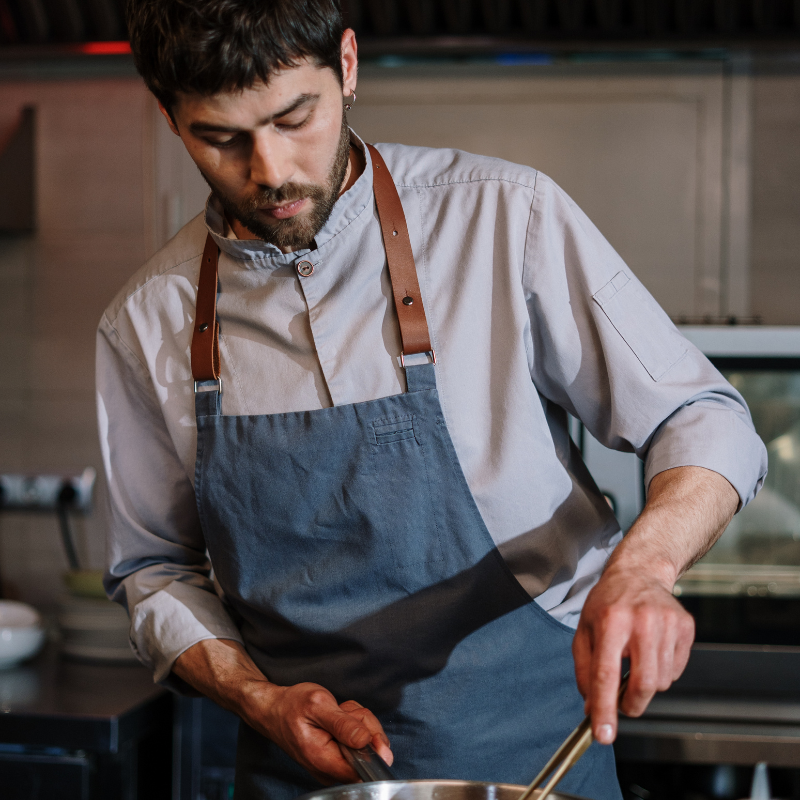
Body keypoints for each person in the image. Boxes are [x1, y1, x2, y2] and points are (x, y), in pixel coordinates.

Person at [97, 1, 767, 798]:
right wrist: (260, 700)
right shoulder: (147, 320)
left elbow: (701, 418)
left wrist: (644, 569)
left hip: (537, 757)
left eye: (294, 117)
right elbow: (153, 570)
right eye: (222, 137)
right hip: (308, 775)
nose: (270, 170)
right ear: (171, 120)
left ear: (346, 66)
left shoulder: (501, 216)